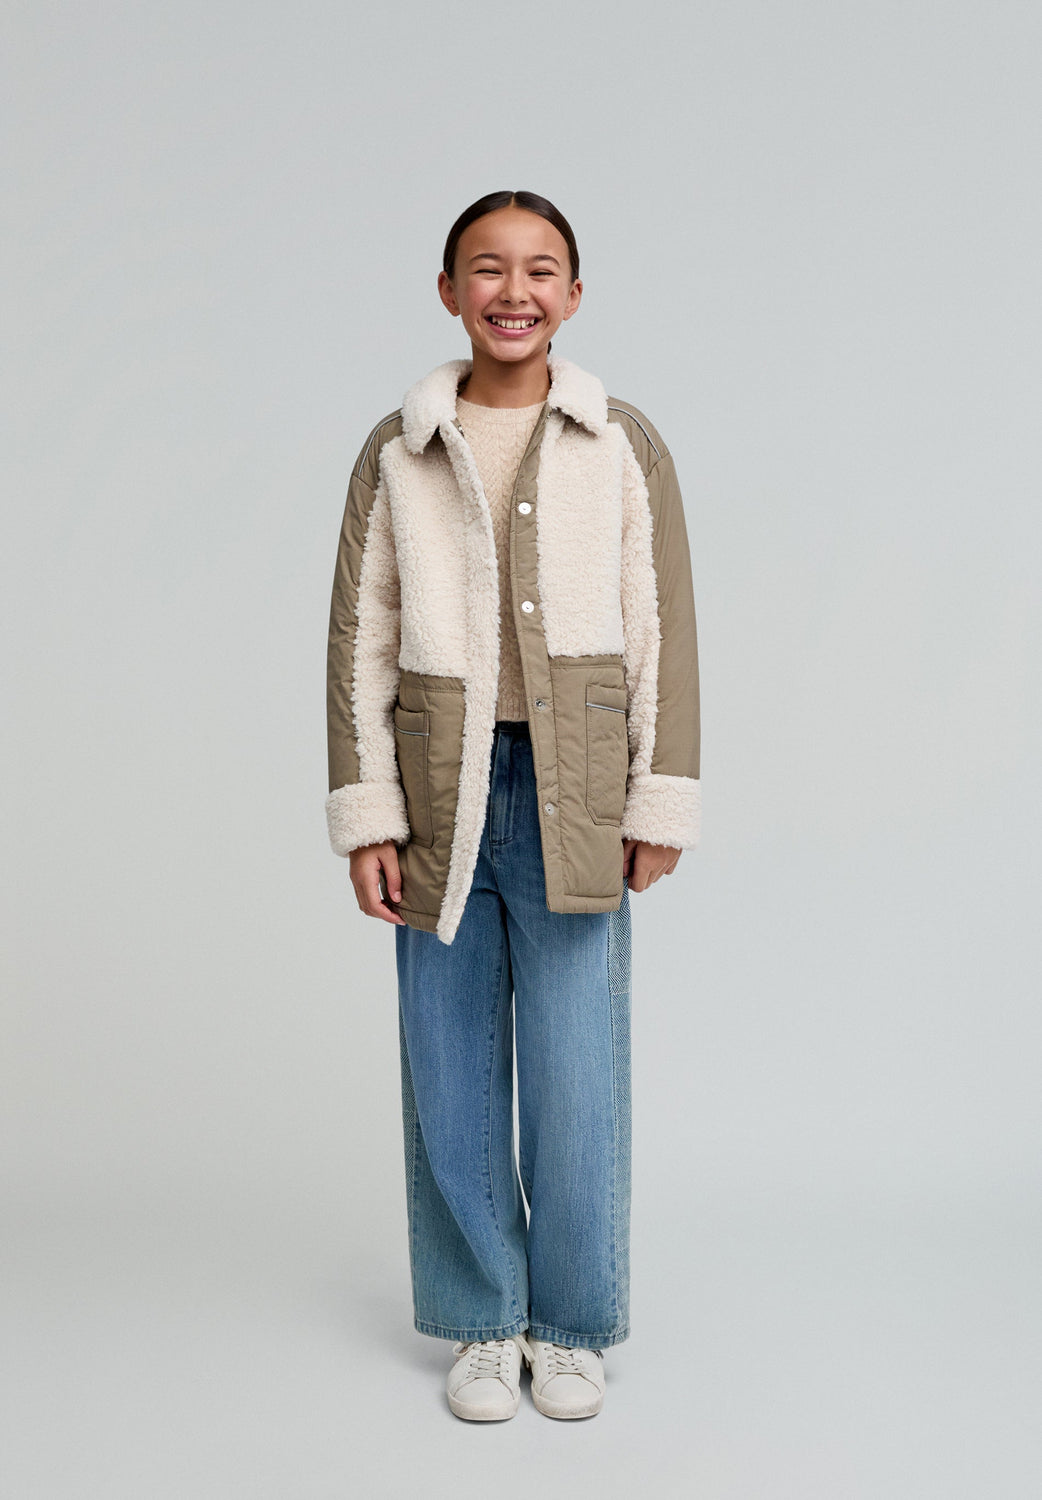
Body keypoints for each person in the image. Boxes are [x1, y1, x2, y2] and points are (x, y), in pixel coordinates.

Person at [325, 190, 700, 1421]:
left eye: (541, 269)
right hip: (439, 790)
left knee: (578, 1071)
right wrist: (369, 812)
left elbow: (661, 622)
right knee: (448, 1065)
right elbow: (360, 635)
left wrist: (657, 799)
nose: (514, 290)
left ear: (574, 295)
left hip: (576, 790)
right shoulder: (400, 447)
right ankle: (483, 1322)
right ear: (449, 291)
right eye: (487, 268)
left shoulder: (619, 440)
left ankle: (572, 1325)